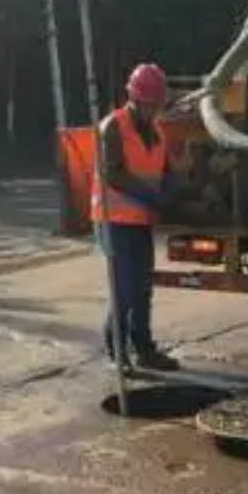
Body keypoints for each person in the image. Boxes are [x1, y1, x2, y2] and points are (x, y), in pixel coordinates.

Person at [91, 63, 180, 373]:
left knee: (142, 289)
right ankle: (117, 351)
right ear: (135, 98)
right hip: (113, 222)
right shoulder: (112, 127)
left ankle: (145, 349)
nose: (154, 111)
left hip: (141, 220)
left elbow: (165, 168)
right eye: (150, 104)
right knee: (125, 288)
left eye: (157, 105)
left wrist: (171, 185)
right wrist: (151, 196)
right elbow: (113, 173)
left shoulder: (156, 131)